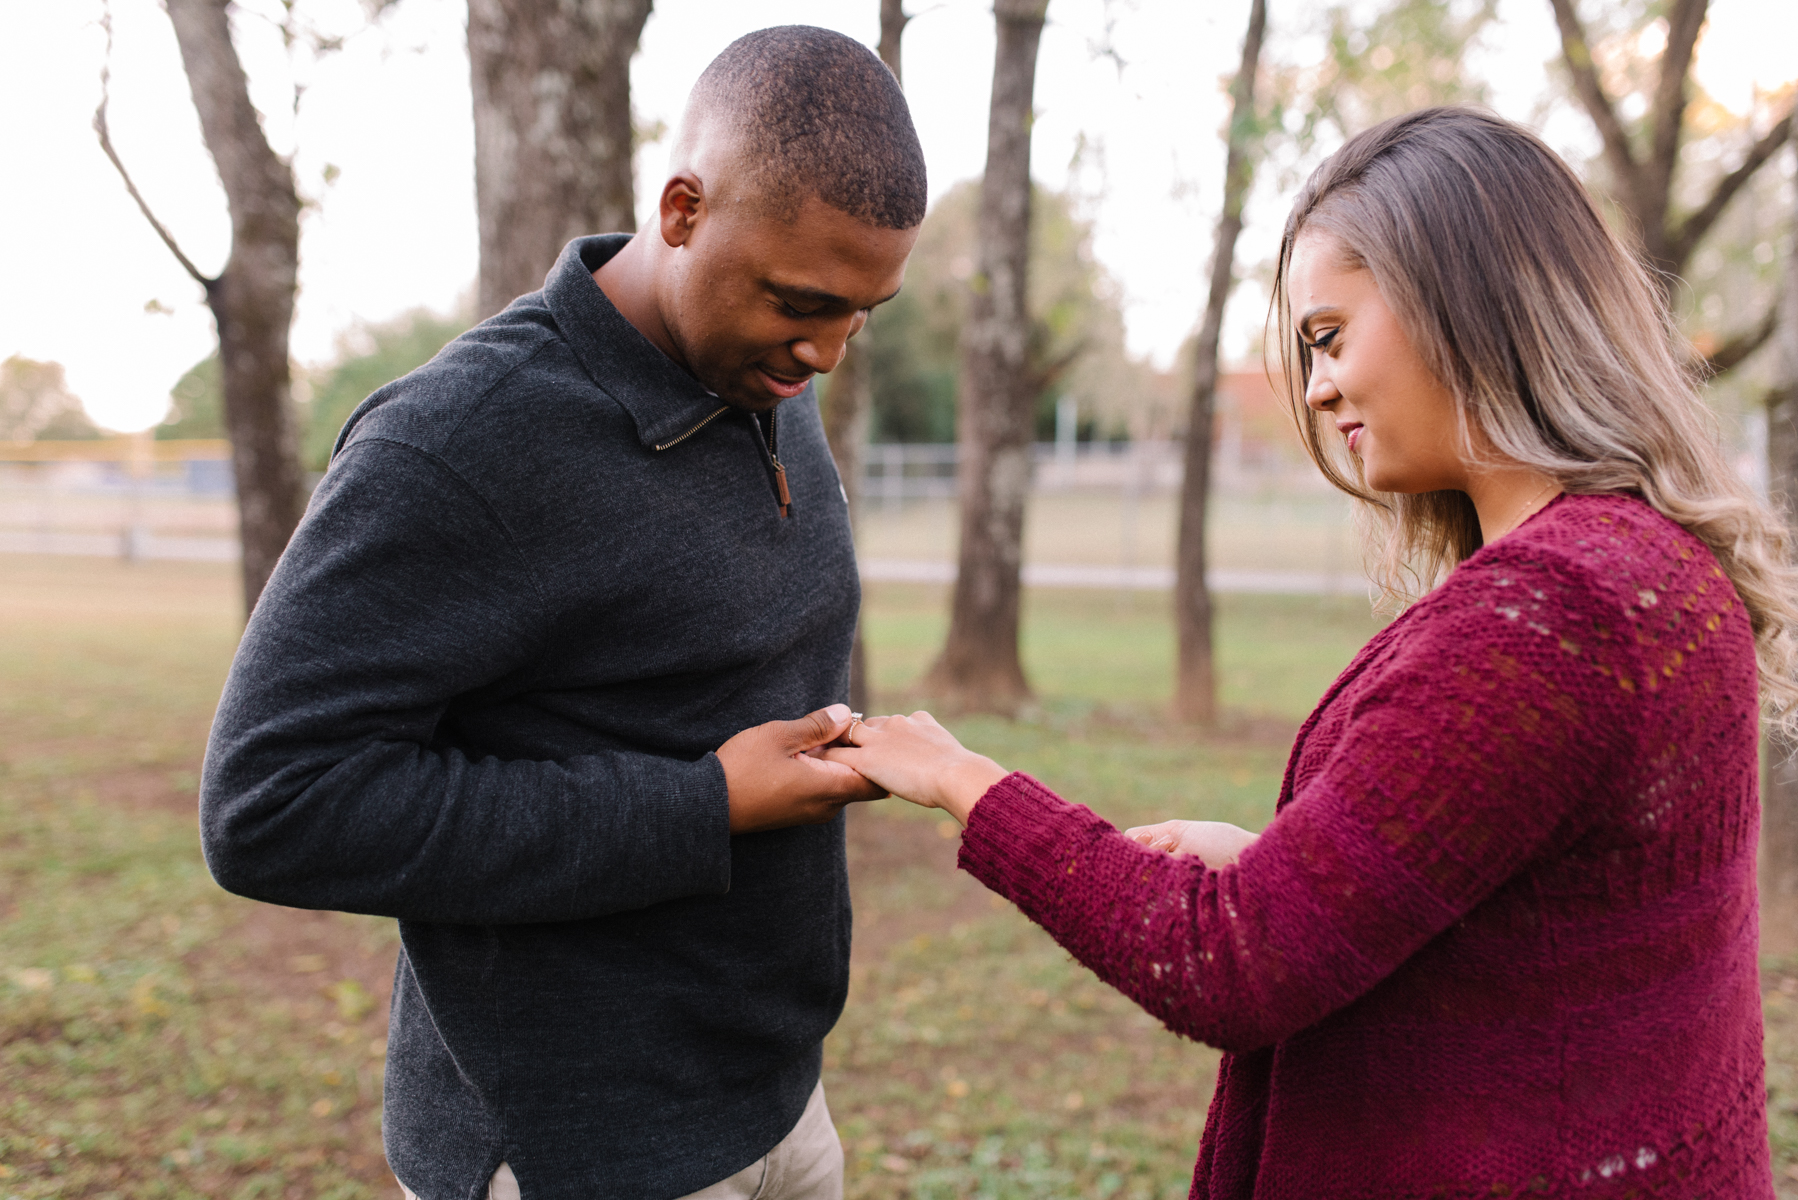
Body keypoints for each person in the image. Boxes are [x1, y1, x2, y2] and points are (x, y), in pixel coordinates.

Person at [825, 107, 1798, 1198]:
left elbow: (1227, 965)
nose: (1317, 386)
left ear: (1465, 301)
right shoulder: (1650, 563)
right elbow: (1565, 925)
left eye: (1330, 336)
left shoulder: (1552, 610)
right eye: (1305, 352)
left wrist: (964, 781)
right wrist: (1287, 865)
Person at [198, 27, 923, 1200]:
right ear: (682, 209)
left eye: (862, 313)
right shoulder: (458, 441)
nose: (829, 352)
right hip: (580, 1148)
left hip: (779, 1100)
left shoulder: (763, 373)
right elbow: (271, 804)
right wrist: (701, 804)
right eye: (803, 303)